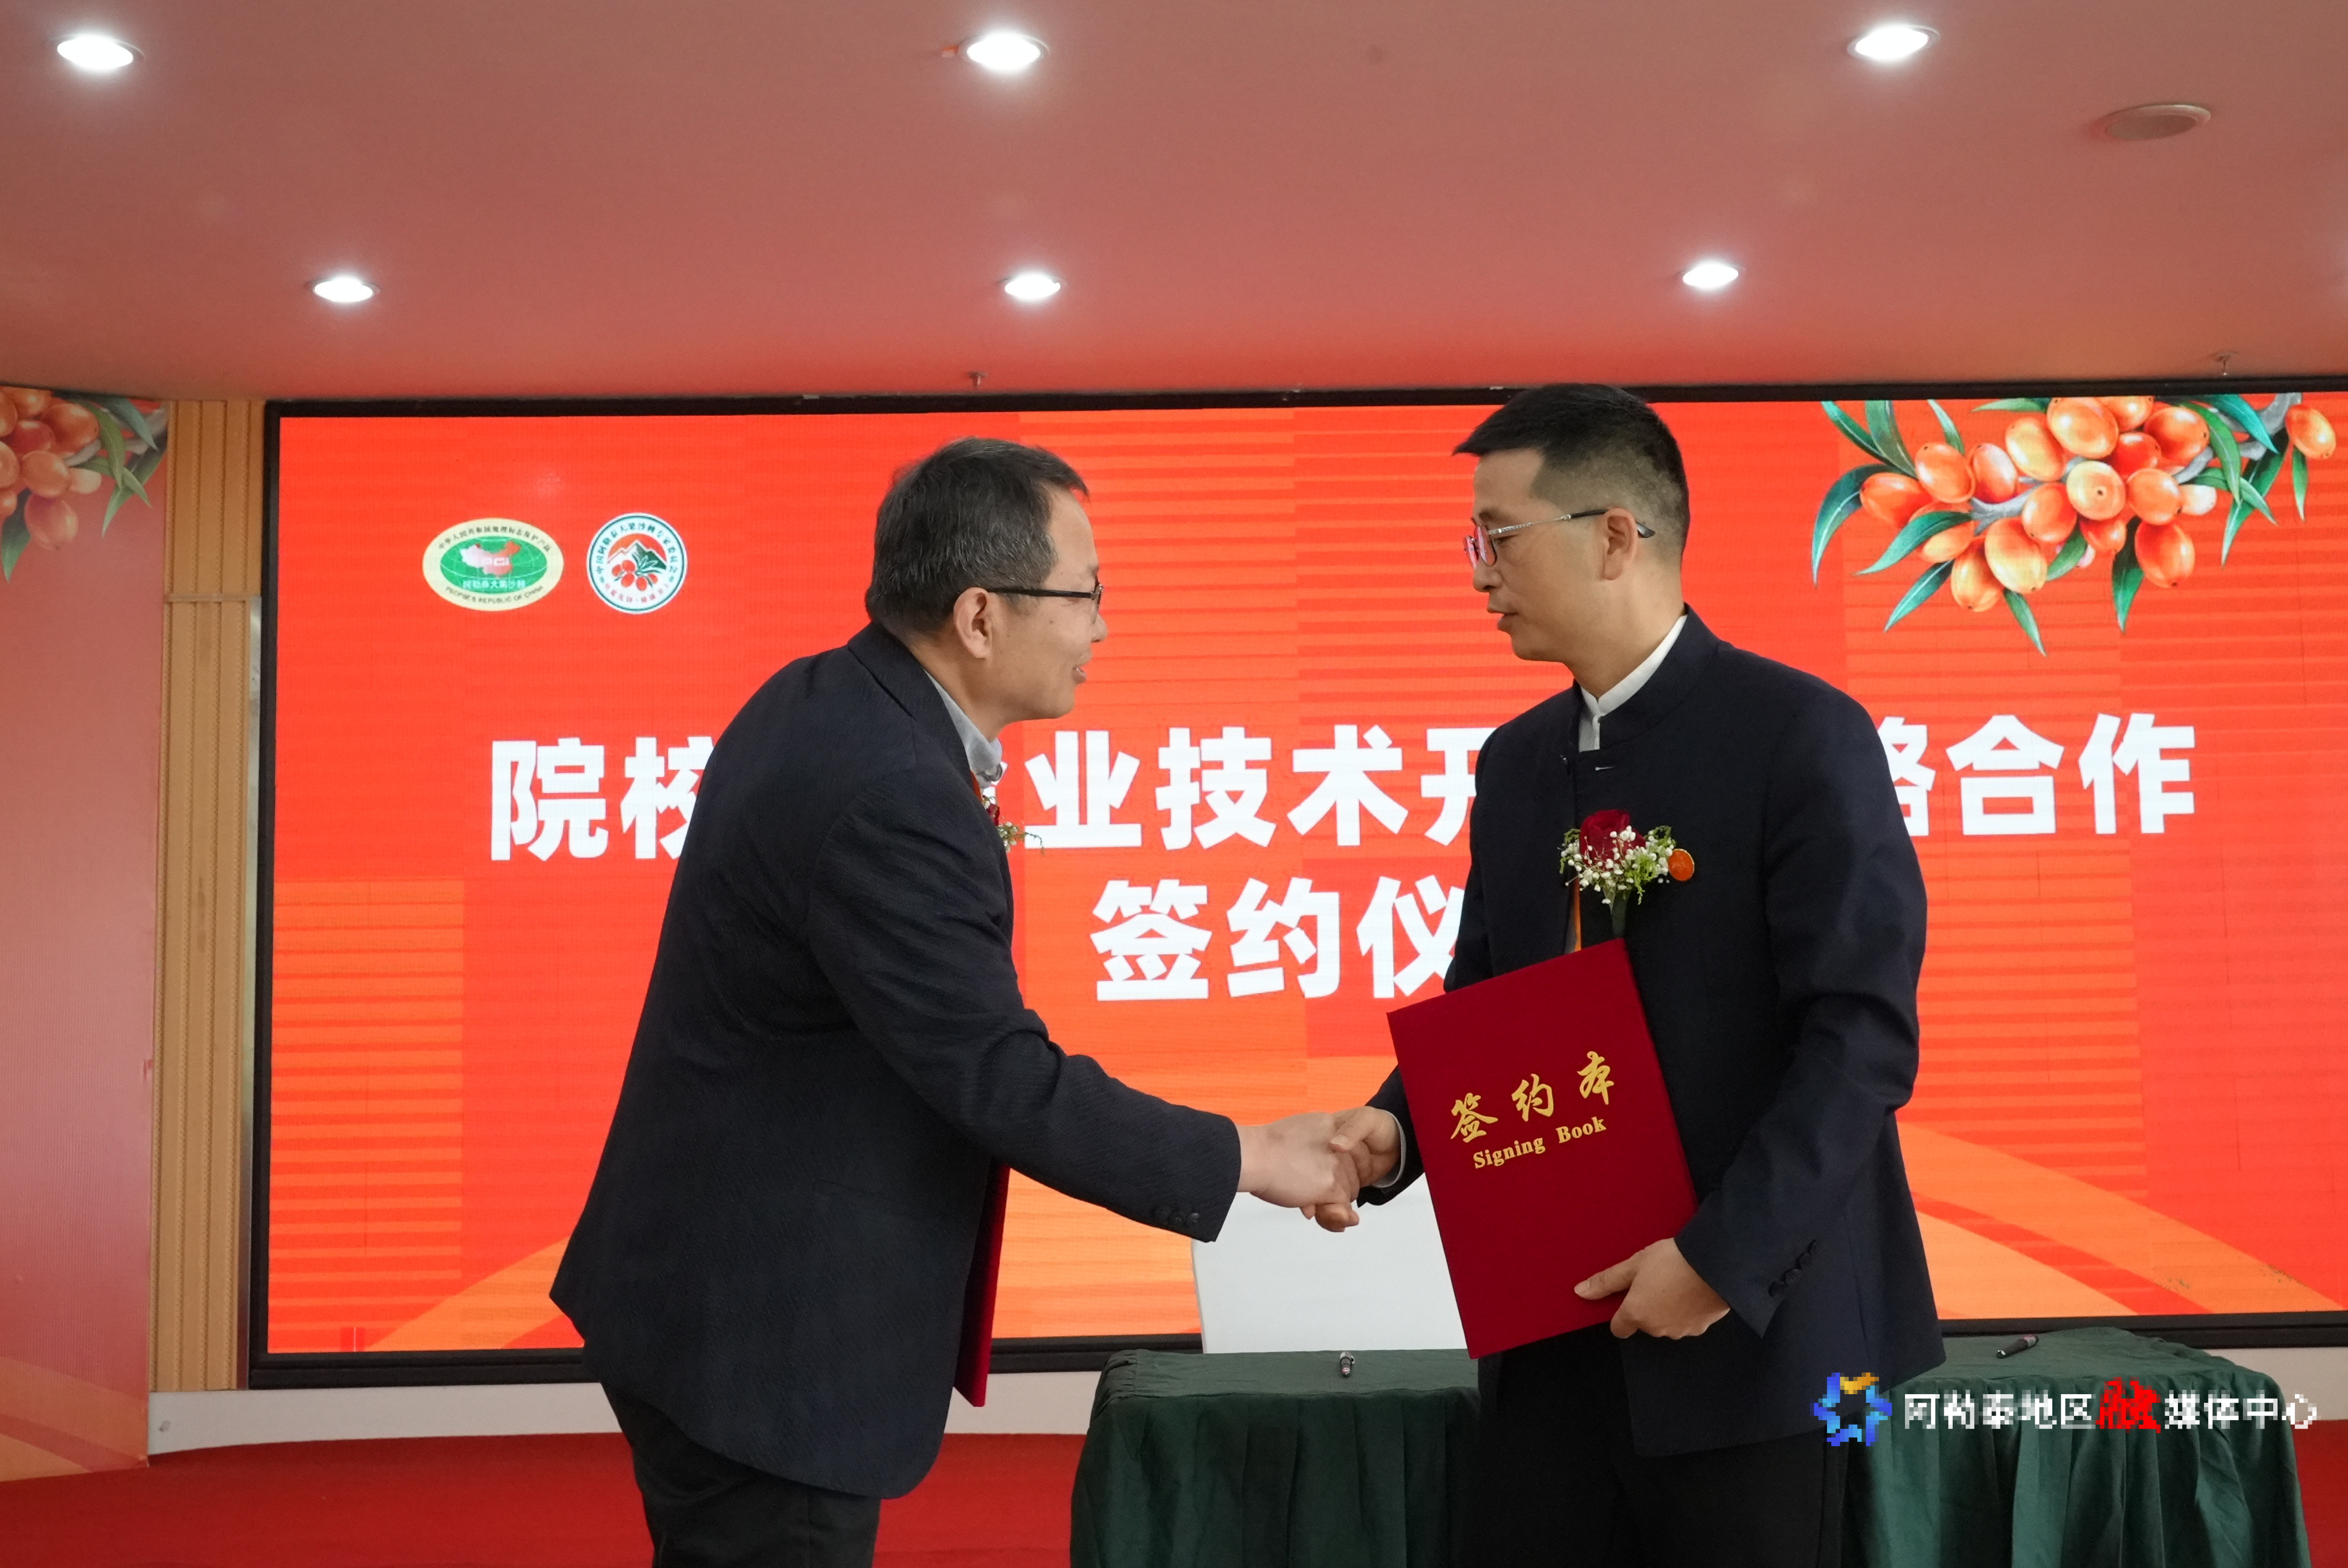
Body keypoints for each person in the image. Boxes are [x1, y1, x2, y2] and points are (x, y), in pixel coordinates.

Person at [552, 437, 1373, 1568]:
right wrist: (1251, 1156)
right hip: (768, 1339)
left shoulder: (823, 698)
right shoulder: (890, 785)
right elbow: (995, 1075)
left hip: (713, 1290)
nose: (1102, 628)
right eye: (1087, 594)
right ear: (980, 616)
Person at [1317, 385, 1942, 1567]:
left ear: (1615, 535)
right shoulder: (1515, 764)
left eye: (1498, 538)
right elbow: (1488, 1005)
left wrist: (1719, 1264)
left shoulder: (1799, 734)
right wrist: (1393, 1133)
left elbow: (1858, 1041)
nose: (1479, 575)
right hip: (1555, 1333)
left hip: (1762, 1335)